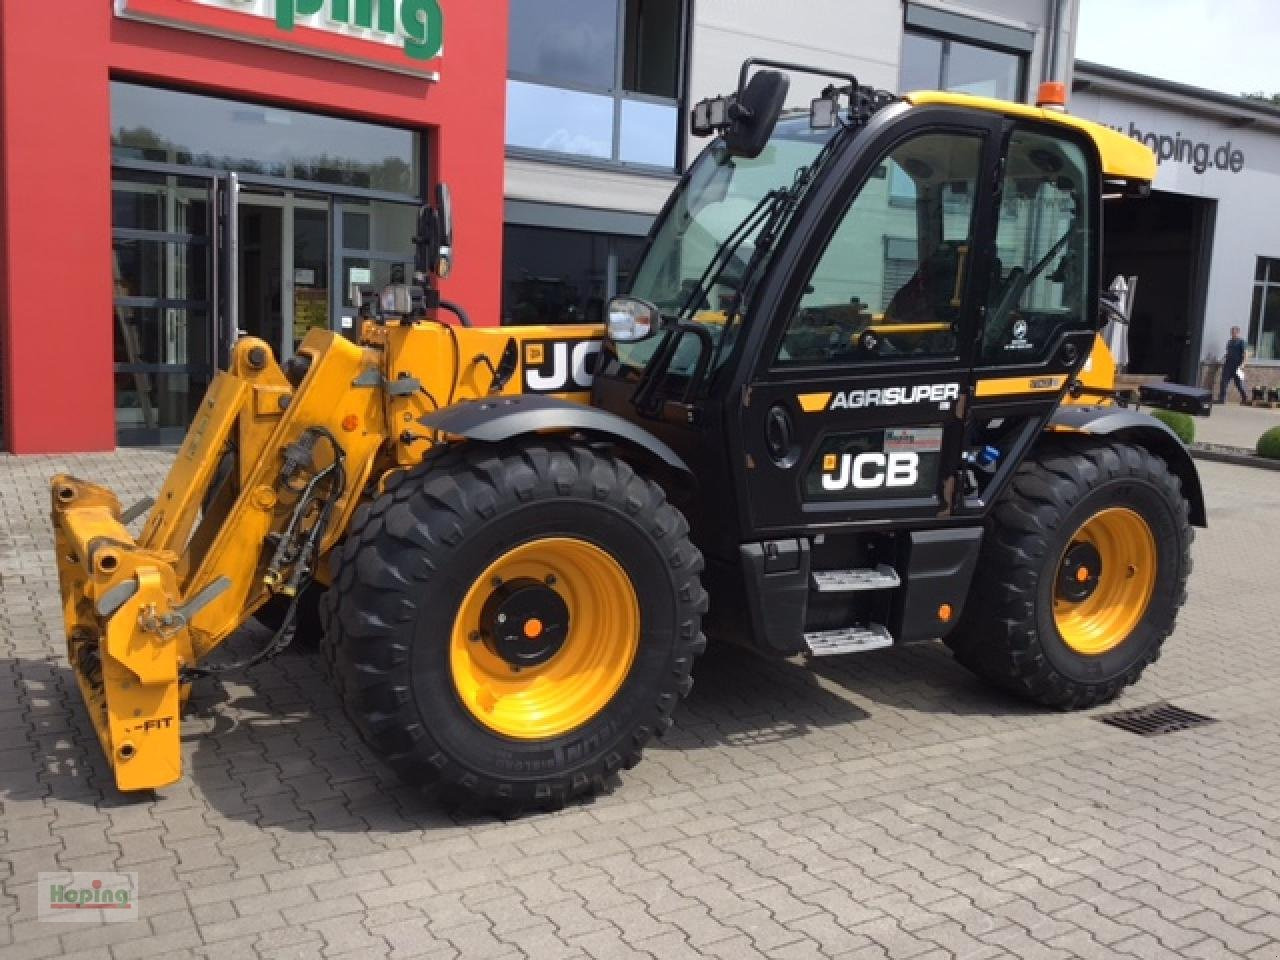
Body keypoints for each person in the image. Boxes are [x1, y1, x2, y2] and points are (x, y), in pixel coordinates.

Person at [1219, 326, 1248, 404]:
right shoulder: (1229, 342)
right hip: (1228, 365)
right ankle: (1222, 399)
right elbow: (1228, 352)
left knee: (1239, 384)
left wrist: (1243, 364)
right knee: (1223, 382)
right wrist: (1223, 358)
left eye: (1234, 332)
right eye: (1231, 332)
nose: (1232, 334)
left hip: (1238, 366)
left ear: (1238, 333)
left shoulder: (1242, 342)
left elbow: (1245, 354)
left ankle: (1245, 397)